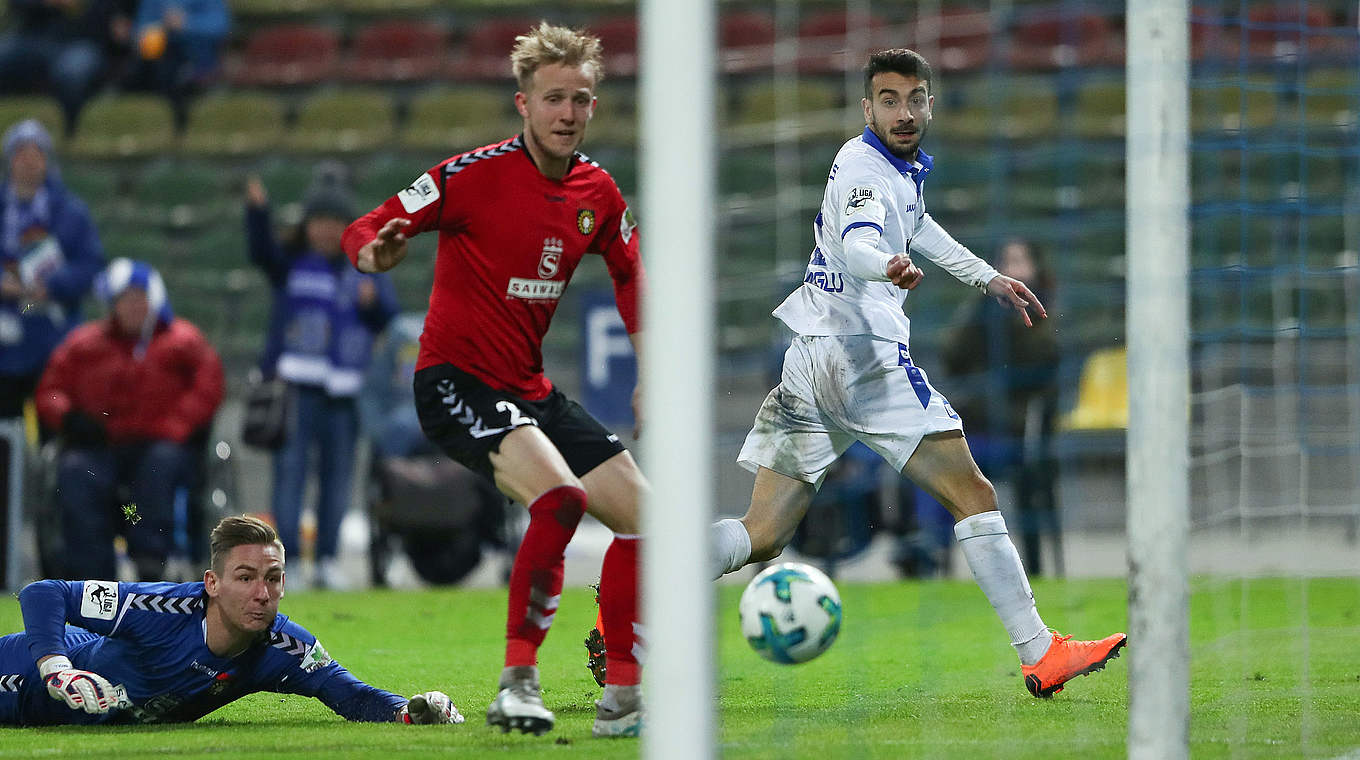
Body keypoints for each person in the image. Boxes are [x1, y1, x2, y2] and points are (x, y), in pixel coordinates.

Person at [706, 49, 1126, 699]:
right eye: (890, 99)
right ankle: (1042, 652)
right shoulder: (865, 171)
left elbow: (919, 226)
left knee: (762, 534)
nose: (904, 112)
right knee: (975, 495)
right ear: (866, 107)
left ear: (930, 103)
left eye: (915, 98)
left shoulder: (898, 172)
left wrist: (987, 277)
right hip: (863, 358)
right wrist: (886, 267)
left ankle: (640, 602)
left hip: (810, 356)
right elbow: (859, 240)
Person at [342, 22, 646, 738]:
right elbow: (369, 226)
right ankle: (517, 683)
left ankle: (624, 697)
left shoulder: (597, 192)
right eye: (553, 99)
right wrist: (374, 259)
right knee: (562, 497)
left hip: (531, 390)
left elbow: (632, 275)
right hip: (455, 382)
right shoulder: (469, 175)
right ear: (523, 103)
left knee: (646, 520)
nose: (568, 113)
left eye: (581, 99)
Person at [0, 514, 464, 726]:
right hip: (24, 677)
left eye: (273, 578)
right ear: (212, 583)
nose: (262, 594)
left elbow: (351, 696)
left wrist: (412, 710)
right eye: (245, 578)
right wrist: (57, 670)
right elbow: (45, 593)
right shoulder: (157, 608)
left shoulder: (285, 649)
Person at [246, 164, 399, 591]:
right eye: (319, 222)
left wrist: (371, 304)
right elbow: (261, 252)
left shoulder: (365, 266)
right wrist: (258, 214)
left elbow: (387, 313)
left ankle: (328, 559)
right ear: (307, 224)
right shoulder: (291, 261)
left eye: (336, 222)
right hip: (295, 388)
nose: (327, 231)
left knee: (337, 478)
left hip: (346, 392)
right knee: (290, 475)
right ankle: (286, 564)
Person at [34, 258, 223, 581]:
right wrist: (68, 418)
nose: (134, 306)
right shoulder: (83, 343)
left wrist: (177, 425)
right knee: (77, 472)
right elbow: (50, 390)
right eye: (126, 299)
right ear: (113, 304)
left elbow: (209, 385)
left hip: (161, 444)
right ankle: (91, 577)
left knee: (157, 468)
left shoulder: (183, 341)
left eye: (140, 298)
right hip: (100, 445)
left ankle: (152, 563)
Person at [942, 238, 1062, 576]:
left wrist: (1013, 318)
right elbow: (952, 357)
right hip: (978, 426)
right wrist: (980, 311)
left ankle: (1036, 569)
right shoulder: (983, 311)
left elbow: (1041, 362)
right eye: (1006, 261)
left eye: (1021, 260)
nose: (1014, 269)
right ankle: (929, 558)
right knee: (937, 462)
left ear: (1036, 268)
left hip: (1021, 432)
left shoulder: (1046, 313)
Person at [0, 118, 104, 421]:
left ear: (47, 161)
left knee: (57, 418)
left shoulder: (71, 212)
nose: (28, 163)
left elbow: (91, 265)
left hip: (56, 333)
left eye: (36, 155)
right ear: (10, 160)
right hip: (6, 336)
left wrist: (53, 284)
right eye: (21, 155)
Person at [0, 1, 134, 134]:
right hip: (34, 37)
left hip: (82, 41)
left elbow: (115, 17)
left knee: (72, 74)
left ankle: (69, 134)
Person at [123, 0, 230, 129]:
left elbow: (221, 25)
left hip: (197, 59)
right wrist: (147, 33)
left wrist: (186, 23)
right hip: (157, 60)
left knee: (176, 80)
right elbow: (140, 28)